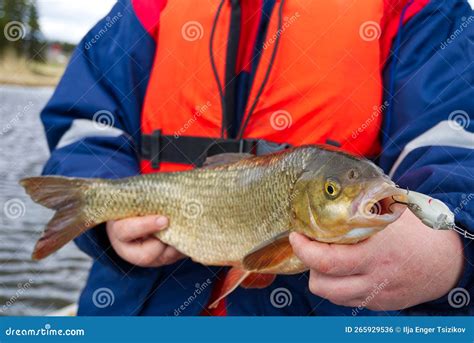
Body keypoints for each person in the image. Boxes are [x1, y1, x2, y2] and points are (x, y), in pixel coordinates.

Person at [40, 0, 474, 315]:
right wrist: (109, 224)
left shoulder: (421, 10)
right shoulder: (144, 8)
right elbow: (84, 124)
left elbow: (457, 146)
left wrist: (453, 249)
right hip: (143, 306)